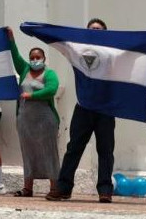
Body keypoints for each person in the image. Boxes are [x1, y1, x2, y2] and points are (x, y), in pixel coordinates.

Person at [47, 18, 115, 203]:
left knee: (106, 151)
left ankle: (105, 190)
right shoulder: (79, 51)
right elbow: (61, 42)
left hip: (105, 109)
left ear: (106, 33)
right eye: (92, 29)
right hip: (84, 107)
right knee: (73, 149)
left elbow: (132, 52)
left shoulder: (113, 53)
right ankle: (63, 189)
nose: (95, 31)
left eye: (99, 29)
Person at [6, 28, 60, 197]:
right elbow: (15, 57)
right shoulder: (24, 70)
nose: (35, 60)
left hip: (46, 122)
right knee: (28, 153)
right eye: (32, 58)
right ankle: (28, 188)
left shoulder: (49, 73)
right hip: (25, 122)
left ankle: (54, 188)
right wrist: (11, 40)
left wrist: (32, 95)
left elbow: (52, 90)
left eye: (38, 57)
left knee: (50, 153)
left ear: (44, 59)